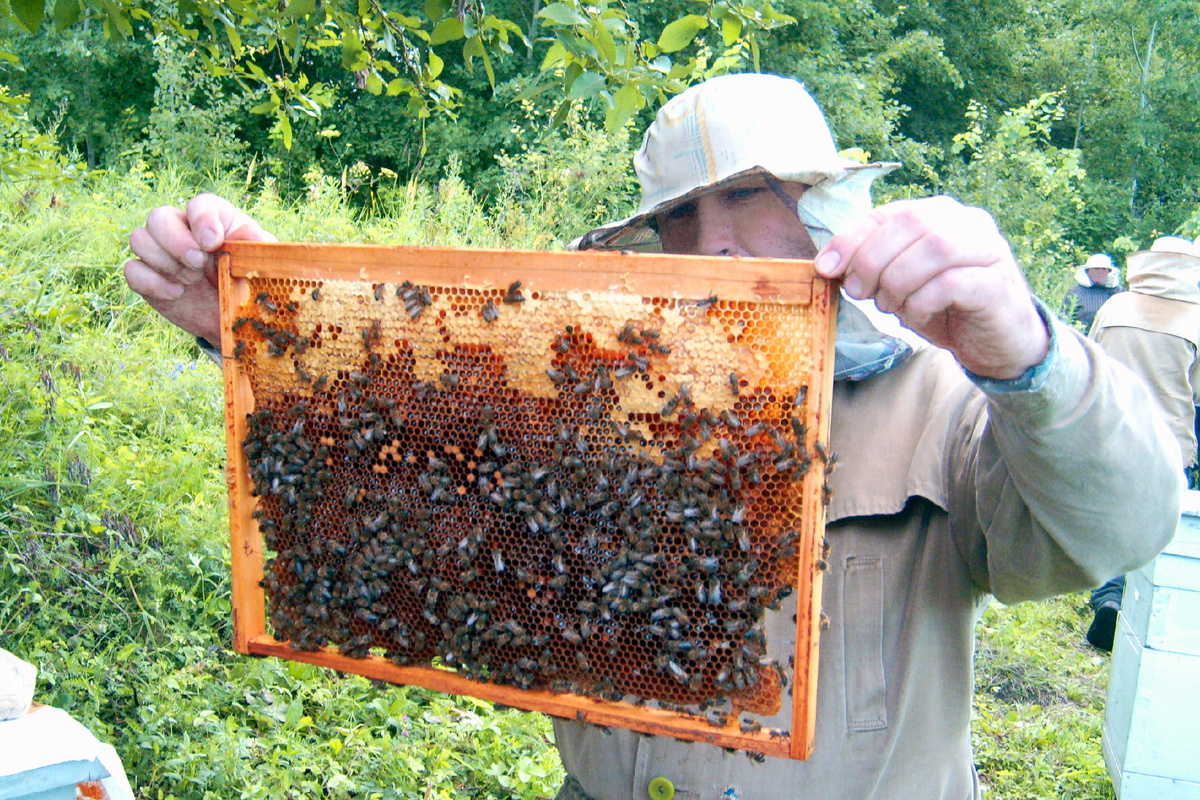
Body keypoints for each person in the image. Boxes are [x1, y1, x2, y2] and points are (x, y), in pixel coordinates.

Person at [124, 73, 1181, 800]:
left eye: (753, 197)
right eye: (683, 214)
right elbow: (433, 500)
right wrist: (278, 337)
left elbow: (1120, 528)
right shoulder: (598, 394)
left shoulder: (944, 399)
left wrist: (1028, 357)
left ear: (828, 208)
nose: (716, 240)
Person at [1082, 235, 1200, 651]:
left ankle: (1107, 596)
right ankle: (1141, 607)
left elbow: (1089, 360)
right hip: (1169, 442)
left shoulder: (1115, 306)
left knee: (1110, 519)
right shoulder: (1197, 320)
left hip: (1108, 431)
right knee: (1156, 526)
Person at [1063, 252, 1123, 330]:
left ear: (1109, 272)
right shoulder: (1075, 292)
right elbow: (1064, 319)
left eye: (1104, 269)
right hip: (1082, 338)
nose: (1100, 272)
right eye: (1096, 268)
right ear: (1087, 271)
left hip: (1110, 338)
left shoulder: (1118, 292)